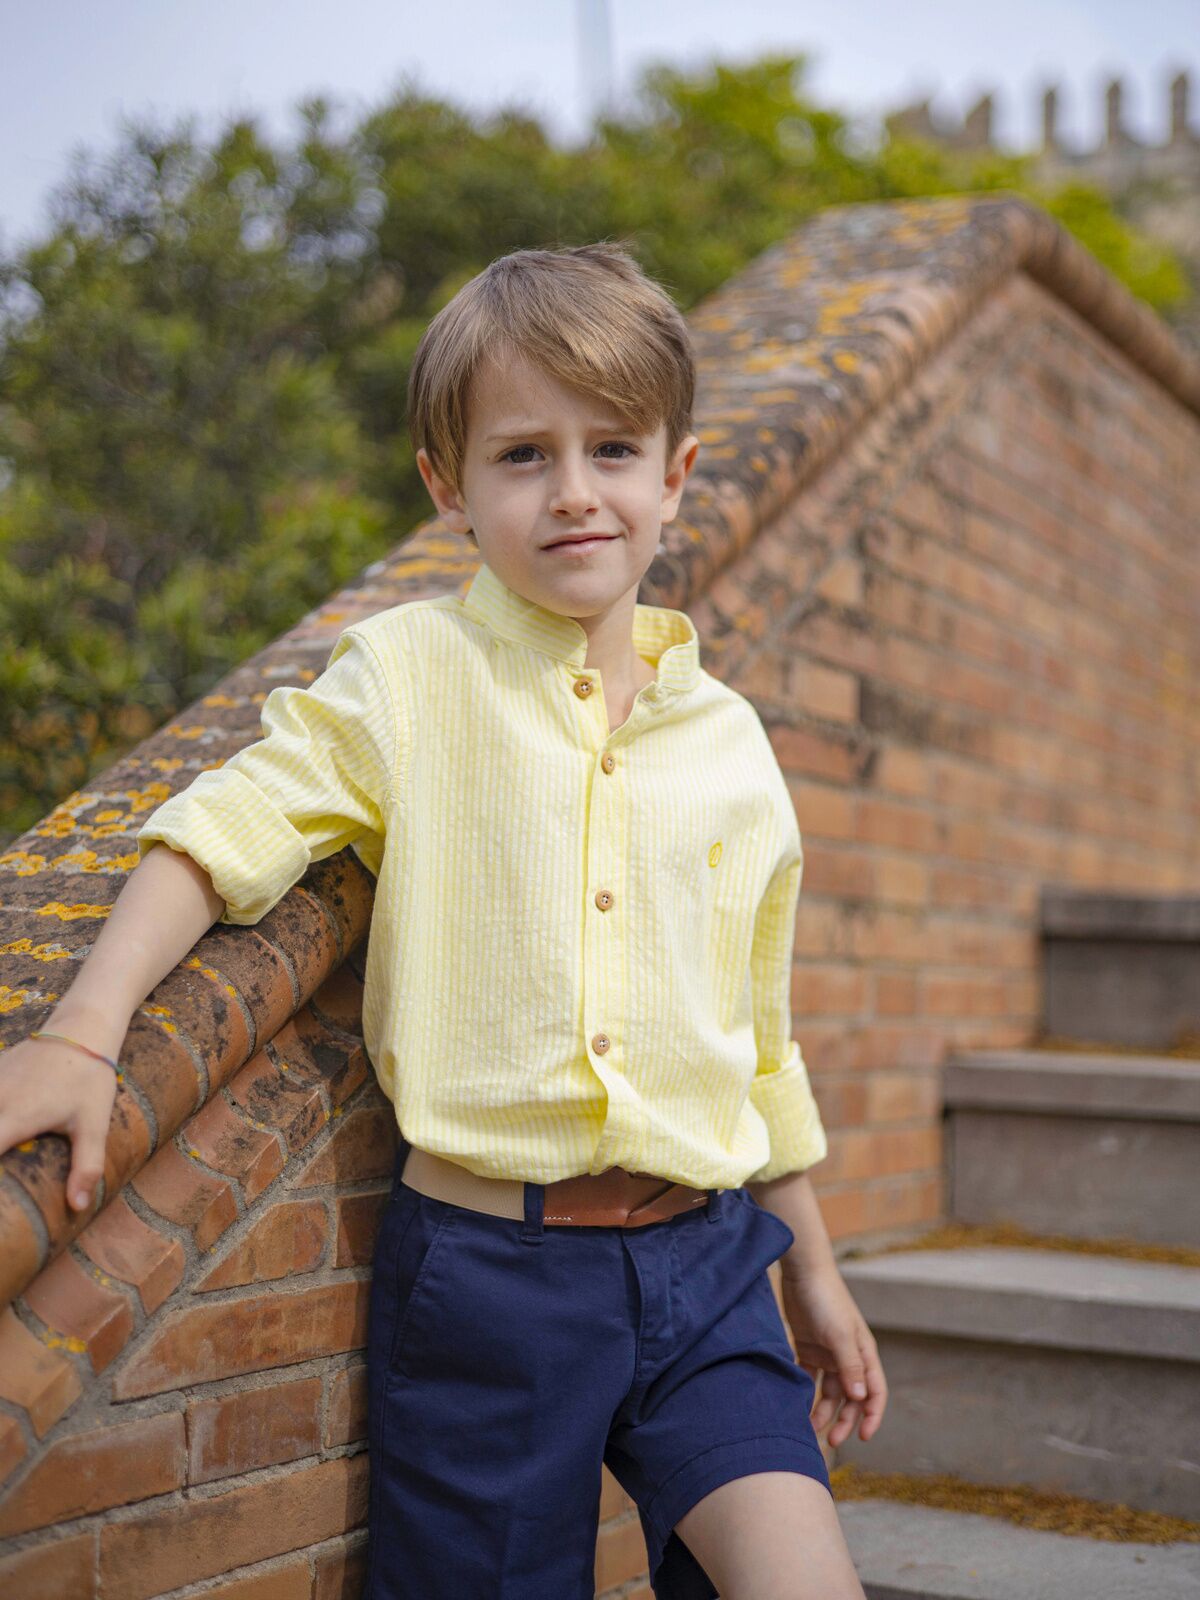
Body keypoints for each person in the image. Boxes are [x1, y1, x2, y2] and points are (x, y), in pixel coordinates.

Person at [0, 240, 885, 1600]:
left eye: (613, 448)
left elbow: (756, 1040)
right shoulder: (408, 678)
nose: (574, 490)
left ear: (677, 474)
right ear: (448, 487)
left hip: (711, 1267)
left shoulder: (729, 741)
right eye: (524, 455)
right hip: (489, 1284)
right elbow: (225, 831)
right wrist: (84, 1031)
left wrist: (809, 1269)